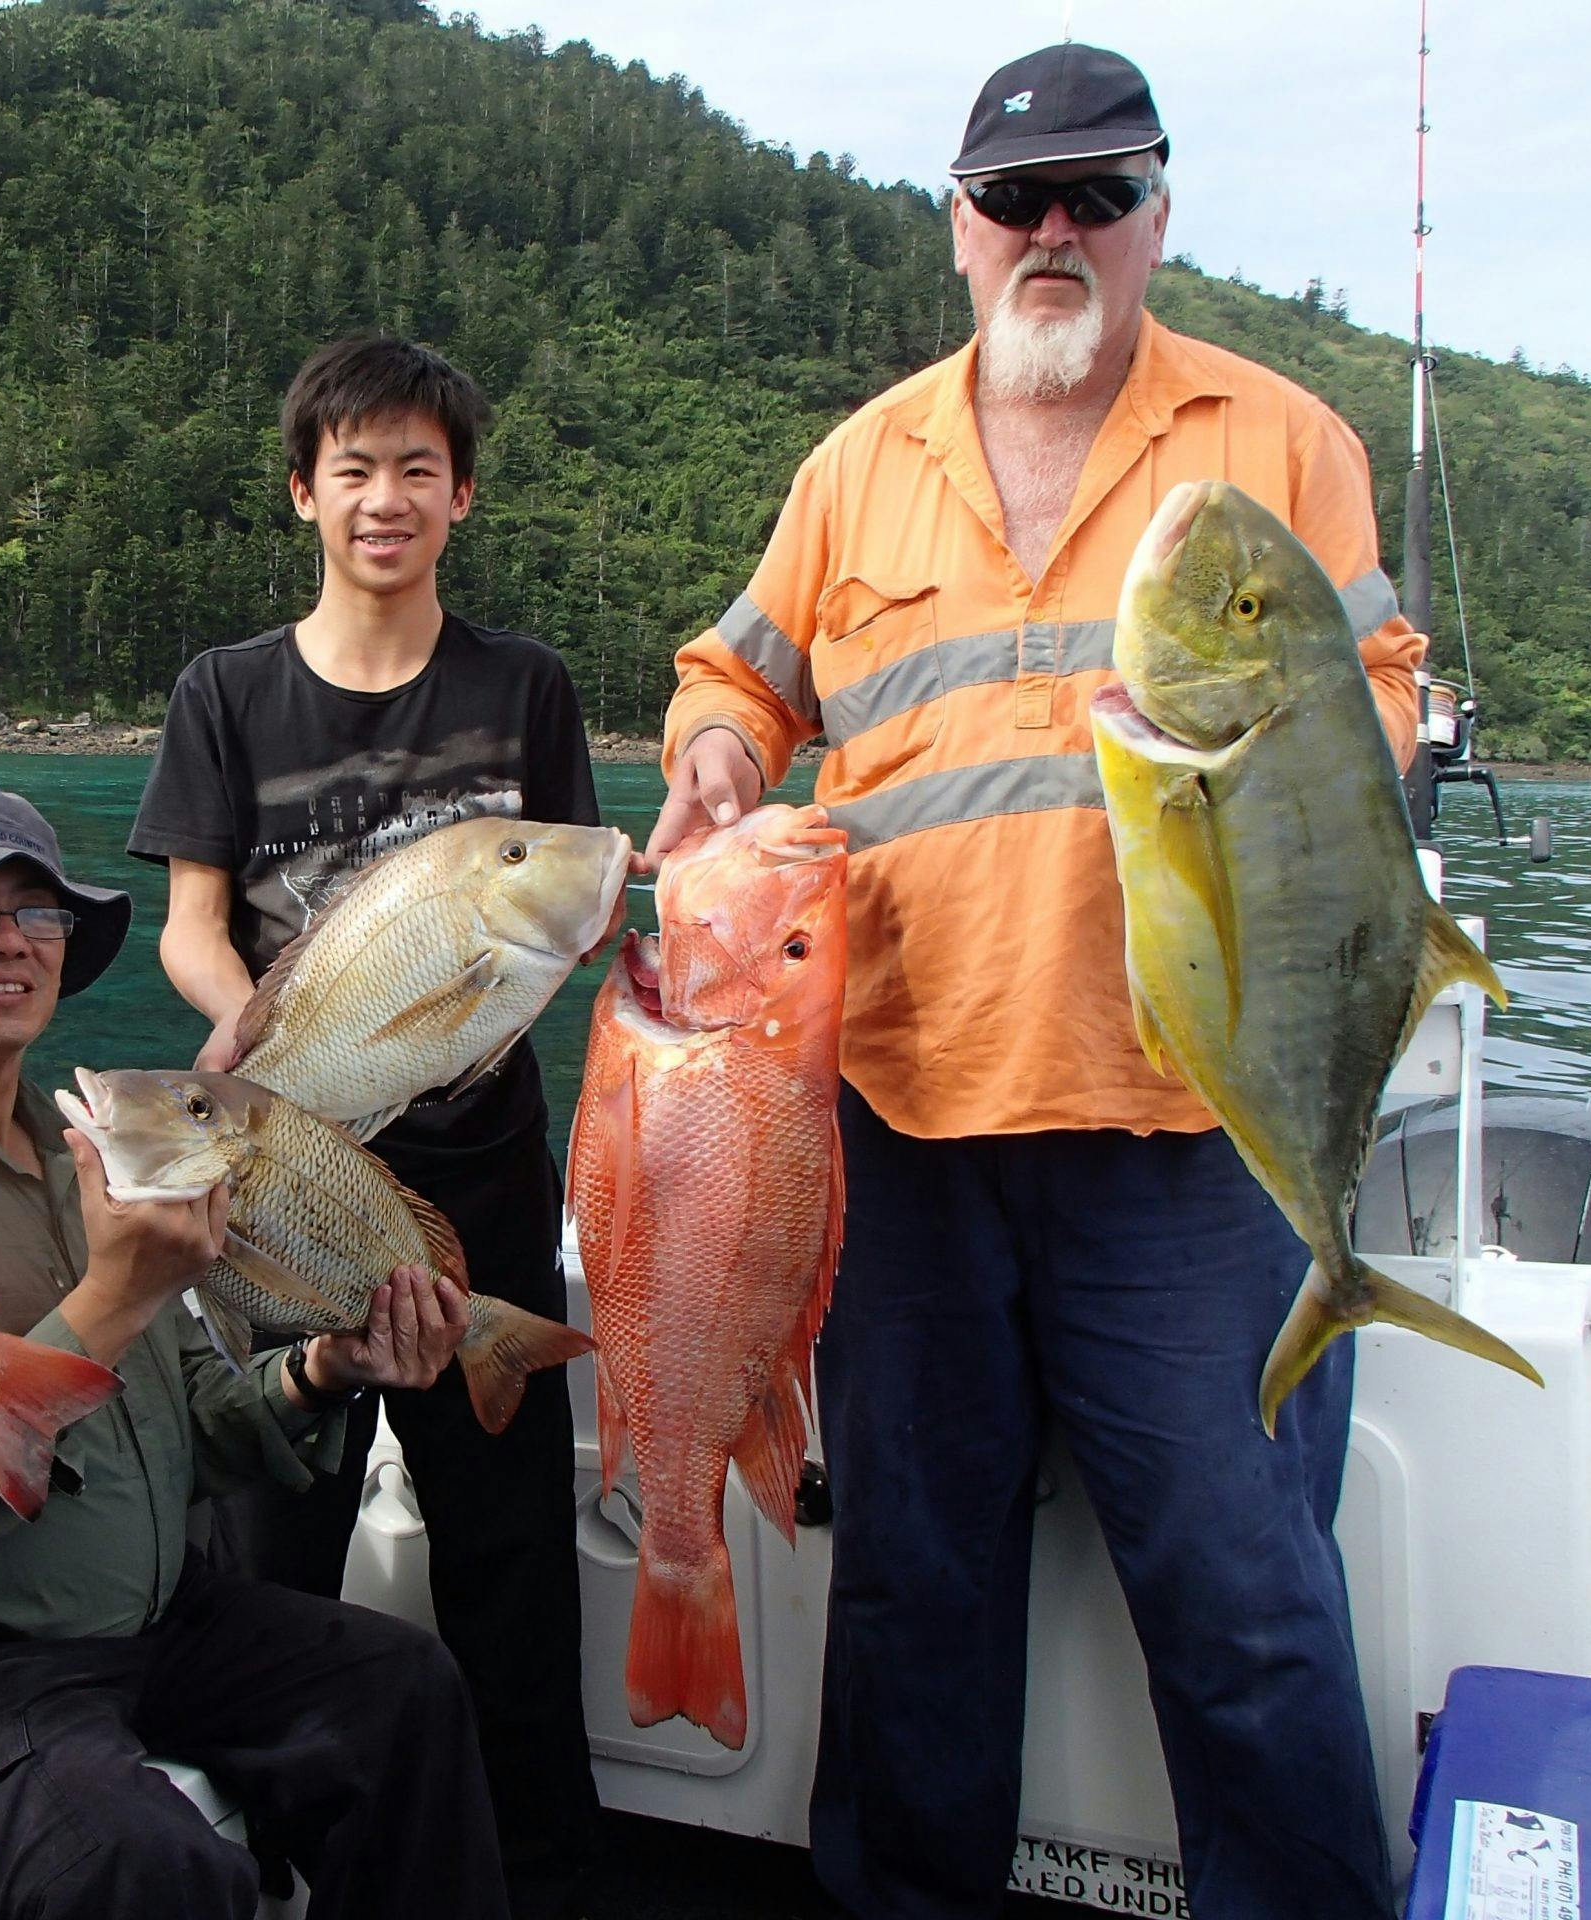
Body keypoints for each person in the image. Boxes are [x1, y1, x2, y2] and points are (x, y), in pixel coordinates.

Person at [645, 45, 1421, 1920]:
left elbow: (1382, 686)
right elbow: (738, 674)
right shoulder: (858, 464)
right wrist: (719, 748)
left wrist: (1320, 763)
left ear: (1158, 215)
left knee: (1244, 1595)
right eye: (1016, 200)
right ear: (960, 228)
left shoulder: (1279, 439)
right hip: (901, 1119)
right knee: (912, 1592)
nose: (1054, 230)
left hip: (1191, 1127)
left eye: (1098, 194)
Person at [0, 779, 510, 1920]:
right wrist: (109, 1300)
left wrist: (324, 1372)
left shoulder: (100, 1149)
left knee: (403, 1688)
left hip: (155, 1622)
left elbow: (186, 1433)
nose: (9, 939)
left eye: (38, 912)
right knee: (126, 1864)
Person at [127, 335, 605, 1920]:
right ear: (303, 493)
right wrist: (252, 1041)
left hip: (485, 1164)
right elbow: (193, 926)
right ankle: (266, 1876)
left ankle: (537, 1875)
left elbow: (560, 914)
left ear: (461, 495)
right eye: (354, 469)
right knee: (273, 1533)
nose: (384, 497)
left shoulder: (523, 686)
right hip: (278, 1171)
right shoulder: (227, 693)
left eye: (417, 468)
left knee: (510, 1551)